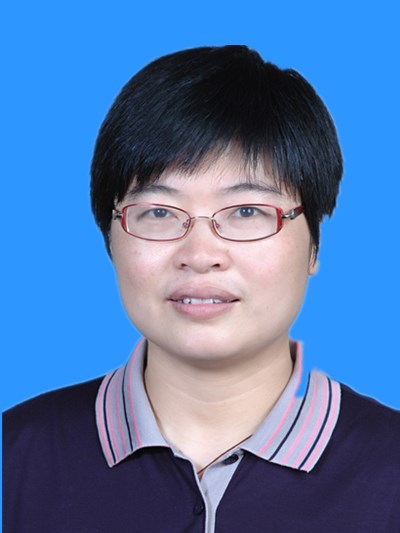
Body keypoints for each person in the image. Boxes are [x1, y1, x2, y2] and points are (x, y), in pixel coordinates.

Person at [3, 45, 399, 533]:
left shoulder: (391, 468)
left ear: (314, 244)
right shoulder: (15, 459)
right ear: (110, 239)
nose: (200, 253)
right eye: (159, 212)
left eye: (247, 211)